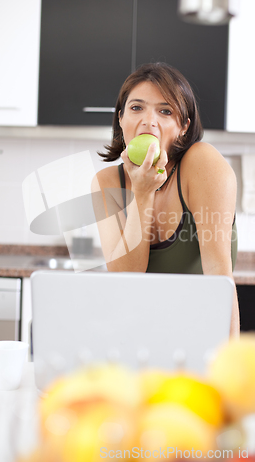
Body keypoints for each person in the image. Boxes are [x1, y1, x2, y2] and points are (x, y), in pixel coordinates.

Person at [92, 62, 239, 337]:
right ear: (121, 119)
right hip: (136, 337)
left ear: (184, 126)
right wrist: (143, 193)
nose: (149, 121)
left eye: (165, 110)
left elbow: (220, 274)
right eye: (137, 108)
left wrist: (233, 363)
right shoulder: (107, 183)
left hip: (200, 337)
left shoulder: (202, 164)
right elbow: (126, 278)